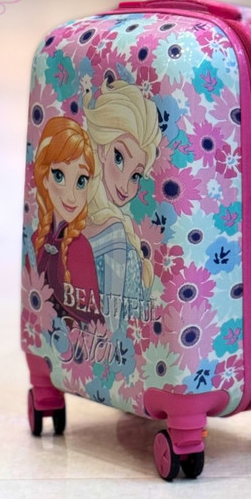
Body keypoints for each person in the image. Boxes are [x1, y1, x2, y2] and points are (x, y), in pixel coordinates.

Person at [82, 80, 162, 333]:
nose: (126, 185)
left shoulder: (81, 219)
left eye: (136, 175)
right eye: (119, 157)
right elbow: (112, 325)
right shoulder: (114, 231)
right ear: (102, 148)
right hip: (114, 349)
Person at [32, 117, 102, 327]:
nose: (71, 197)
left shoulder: (80, 248)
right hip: (42, 340)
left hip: (79, 344)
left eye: (81, 181)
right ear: (45, 177)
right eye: (59, 175)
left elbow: (93, 321)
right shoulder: (36, 239)